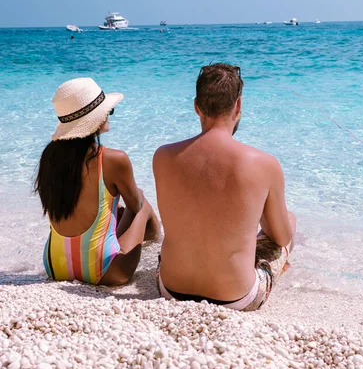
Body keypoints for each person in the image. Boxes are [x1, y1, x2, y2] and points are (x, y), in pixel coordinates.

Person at [153, 63, 296, 311]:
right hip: (237, 297)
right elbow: (281, 238)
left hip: (170, 289)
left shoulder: (163, 156)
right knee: (288, 224)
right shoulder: (264, 164)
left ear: (196, 106)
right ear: (238, 105)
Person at [36, 77, 160, 286]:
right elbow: (135, 205)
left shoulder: (49, 157)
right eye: (108, 111)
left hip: (55, 267)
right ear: (97, 118)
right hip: (105, 272)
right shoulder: (114, 159)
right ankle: (158, 244)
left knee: (116, 208)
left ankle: (139, 241)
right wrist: (132, 196)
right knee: (142, 202)